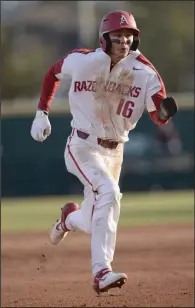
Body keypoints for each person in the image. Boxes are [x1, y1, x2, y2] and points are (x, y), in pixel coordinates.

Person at [30, 10, 177, 294]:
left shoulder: (145, 72)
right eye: (117, 37)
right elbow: (52, 73)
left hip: (115, 152)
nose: (124, 42)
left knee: (94, 214)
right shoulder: (83, 60)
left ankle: (68, 219)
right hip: (82, 145)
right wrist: (41, 112)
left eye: (129, 37)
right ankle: (101, 272)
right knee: (109, 194)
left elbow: (158, 114)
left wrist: (163, 114)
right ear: (104, 39)